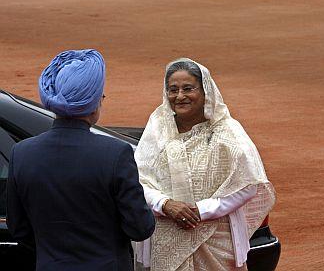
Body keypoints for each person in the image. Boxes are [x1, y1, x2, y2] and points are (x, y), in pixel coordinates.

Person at [6, 49, 155, 271]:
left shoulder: (22, 153)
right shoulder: (116, 153)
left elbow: (18, 228)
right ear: (94, 104)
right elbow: (140, 228)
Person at [134, 58, 276, 270]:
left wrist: (201, 211)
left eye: (188, 88)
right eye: (173, 90)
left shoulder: (227, 131)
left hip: (216, 239)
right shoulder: (158, 128)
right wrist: (165, 204)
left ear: (205, 91)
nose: (180, 96)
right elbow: (138, 180)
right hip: (164, 237)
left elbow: (247, 185)